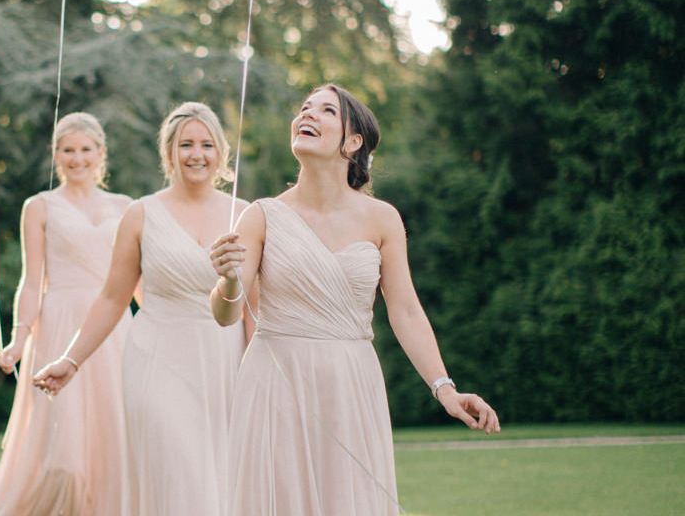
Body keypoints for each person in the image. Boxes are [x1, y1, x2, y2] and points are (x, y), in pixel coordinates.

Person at [209, 83, 501, 516]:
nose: (307, 114)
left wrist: (445, 389)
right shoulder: (260, 215)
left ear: (353, 142)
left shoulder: (382, 218)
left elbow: (405, 310)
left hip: (350, 382)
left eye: (327, 110)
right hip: (275, 380)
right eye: (305, 108)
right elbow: (225, 314)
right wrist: (229, 280)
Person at [34, 101, 251, 516]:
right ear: (168, 152)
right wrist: (71, 360)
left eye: (206, 144)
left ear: (221, 152)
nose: (196, 154)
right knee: (173, 469)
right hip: (156, 359)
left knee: (217, 479)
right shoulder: (140, 214)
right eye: (185, 144)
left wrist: (261, 376)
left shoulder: (244, 215)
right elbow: (112, 298)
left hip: (223, 362)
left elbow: (255, 310)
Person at [0, 112, 132, 516]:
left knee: (115, 440)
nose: (77, 158)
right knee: (62, 455)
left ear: (101, 153)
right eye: (67, 150)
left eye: (85, 149)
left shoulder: (126, 207)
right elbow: (32, 281)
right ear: (56, 155)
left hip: (114, 331)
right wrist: (18, 340)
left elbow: (138, 282)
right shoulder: (40, 206)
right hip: (58, 327)